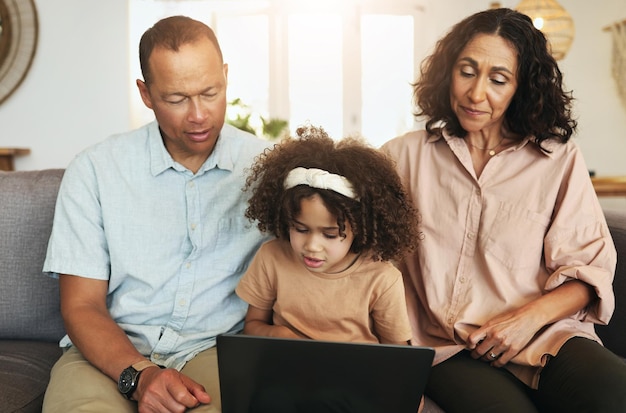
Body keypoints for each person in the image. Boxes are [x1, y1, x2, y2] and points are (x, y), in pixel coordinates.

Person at [381, 7, 626, 413]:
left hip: (545, 334)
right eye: (467, 71)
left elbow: (589, 272)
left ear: (522, 88)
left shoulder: (557, 159)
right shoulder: (402, 156)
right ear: (448, 72)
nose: (476, 94)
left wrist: (526, 320)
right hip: (447, 347)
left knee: (615, 392)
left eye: (498, 79)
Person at [41, 16, 270, 413]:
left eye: (210, 92)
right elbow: (81, 306)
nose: (198, 115)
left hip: (217, 350)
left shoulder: (268, 168)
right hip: (108, 353)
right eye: (176, 99)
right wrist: (139, 375)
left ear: (227, 77)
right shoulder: (95, 169)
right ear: (146, 94)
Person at [236, 125, 423, 412]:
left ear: (361, 229)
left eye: (330, 234)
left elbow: (396, 357)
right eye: (300, 229)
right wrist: (280, 335)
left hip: (355, 382)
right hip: (288, 376)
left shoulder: (381, 279)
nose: (312, 246)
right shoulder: (272, 257)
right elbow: (252, 326)